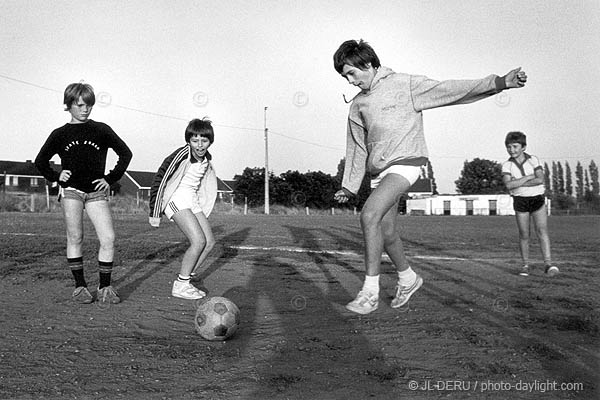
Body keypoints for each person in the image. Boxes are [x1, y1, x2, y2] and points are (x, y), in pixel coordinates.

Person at [333, 39, 528, 314]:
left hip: (407, 163)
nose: (350, 81)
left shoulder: (406, 84)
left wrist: (499, 83)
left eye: (352, 73)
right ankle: (408, 278)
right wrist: (349, 186)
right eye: (345, 77)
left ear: (367, 64)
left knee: (368, 215)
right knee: (387, 232)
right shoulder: (357, 105)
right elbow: (356, 147)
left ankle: (370, 292)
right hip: (379, 170)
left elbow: (450, 90)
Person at [35, 82, 132, 304]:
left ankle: (105, 287)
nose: (85, 109)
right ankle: (80, 287)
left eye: (88, 104)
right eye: (79, 105)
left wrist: (109, 178)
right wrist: (57, 176)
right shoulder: (60, 134)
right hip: (72, 192)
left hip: (96, 193)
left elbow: (126, 153)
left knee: (108, 238)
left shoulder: (101, 129)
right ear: (68, 105)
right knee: (75, 237)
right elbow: (40, 161)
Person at [148, 118, 218, 300]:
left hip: (192, 200)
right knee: (198, 242)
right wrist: (155, 211)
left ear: (210, 141)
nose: (200, 145)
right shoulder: (181, 154)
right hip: (176, 199)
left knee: (209, 243)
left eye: (204, 140)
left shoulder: (207, 160)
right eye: (195, 140)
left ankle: (187, 277)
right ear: (188, 140)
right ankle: (181, 285)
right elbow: (160, 179)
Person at [502, 131, 558, 277]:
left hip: (537, 199)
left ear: (523, 147)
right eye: (509, 147)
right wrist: (529, 177)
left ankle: (548, 264)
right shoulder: (507, 165)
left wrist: (518, 182)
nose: (512, 150)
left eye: (515, 146)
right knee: (524, 234)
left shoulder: (533, 160)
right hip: (520, 201)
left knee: (542, 231)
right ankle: (525, 265)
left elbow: (540, 180)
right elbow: (508, 185)